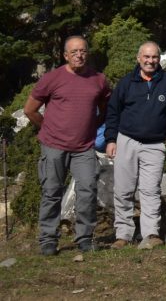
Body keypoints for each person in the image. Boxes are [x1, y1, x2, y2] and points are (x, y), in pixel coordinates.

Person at [24, 36, 111, 255]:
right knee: (51, 191)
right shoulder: (52, 79)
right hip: (54, 145)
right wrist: (46, 129)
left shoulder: (98, 79)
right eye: (74, 52)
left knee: (87, 190)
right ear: (65, 55)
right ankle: (48, 240)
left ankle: (84, 237)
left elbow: (105, 107)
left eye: (82, 51)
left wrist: (93, 127)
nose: (79, 55)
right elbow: (29, 110)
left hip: (84, 147)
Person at [105, 42, 166, 250]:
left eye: (155, 57)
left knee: (150, 191)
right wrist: (111, 140)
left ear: (159, 59)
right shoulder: (126, 83)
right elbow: (113, 112)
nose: (150, 61)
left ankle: (150, 234)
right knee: (123, 190)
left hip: (155, 144)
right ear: (138, 58)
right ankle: (123, 235)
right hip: (127, 140)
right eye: (146, 57)